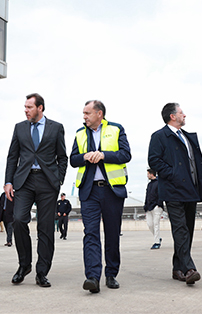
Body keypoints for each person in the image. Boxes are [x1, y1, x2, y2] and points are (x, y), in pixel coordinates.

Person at [4, 93, 68, 288]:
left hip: (48, 183)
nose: (26, 110)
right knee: (18, 219)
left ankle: (42, 272)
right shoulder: (19, 128)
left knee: (46, 228)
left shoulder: (56, 128)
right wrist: (8, 181)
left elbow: (62, 157)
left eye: (29, 107)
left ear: (40, 108)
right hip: (24, 181)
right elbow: (12, 156)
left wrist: (58, 180)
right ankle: (24, 265)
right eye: (25, 107)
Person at [70, 100, 131, 293]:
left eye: (87, 113)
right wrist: (85, 157)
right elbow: (73, 160)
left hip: (112, 190)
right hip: (89, 191)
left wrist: (103, 155)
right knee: (91, 234)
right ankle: (93, 277)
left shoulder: (116, 129)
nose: (84, 117)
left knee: (112, 234)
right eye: (83, 113)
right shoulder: (80, 133)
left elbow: (125, 154)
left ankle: (111, 274)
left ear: (100, 114)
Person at [148, 103, 202, 285]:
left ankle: (177, 268)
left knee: (187, 230)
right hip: (173, 190)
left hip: (191, 189)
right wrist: (172, 174)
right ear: (172, 116)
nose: (185, 115)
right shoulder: (159, 136)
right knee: (180, 229)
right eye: (182, 112)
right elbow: (153, 160)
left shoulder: (187, 137)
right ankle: (189, 268)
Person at [144, 169, 163, 249]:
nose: (147, 176)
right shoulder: (149, 185)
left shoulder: (159, 183)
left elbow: (161, 194)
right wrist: (145, 205)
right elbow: (147, 195)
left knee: (156, 224)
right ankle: (158, 238)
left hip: (156, 207)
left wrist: (159, 204)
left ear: (152, 174)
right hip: (149, 207)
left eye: (148, 174)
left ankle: (156, 242)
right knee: (150, 224)